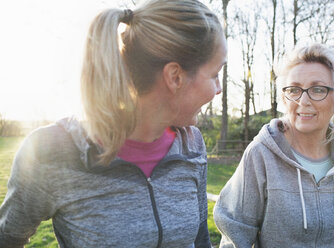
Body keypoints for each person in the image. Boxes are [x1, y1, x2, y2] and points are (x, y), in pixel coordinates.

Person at [0, 0, 227, 247]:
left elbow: (200, 240)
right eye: (215, 74)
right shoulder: (49, 150)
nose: (218, 89)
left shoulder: (192, 145)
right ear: (175, 77)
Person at [213, 44, 334, 247]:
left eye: (318, 89)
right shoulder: (260, 155)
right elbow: (234, 235)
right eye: (294, 90)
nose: (303, 100)